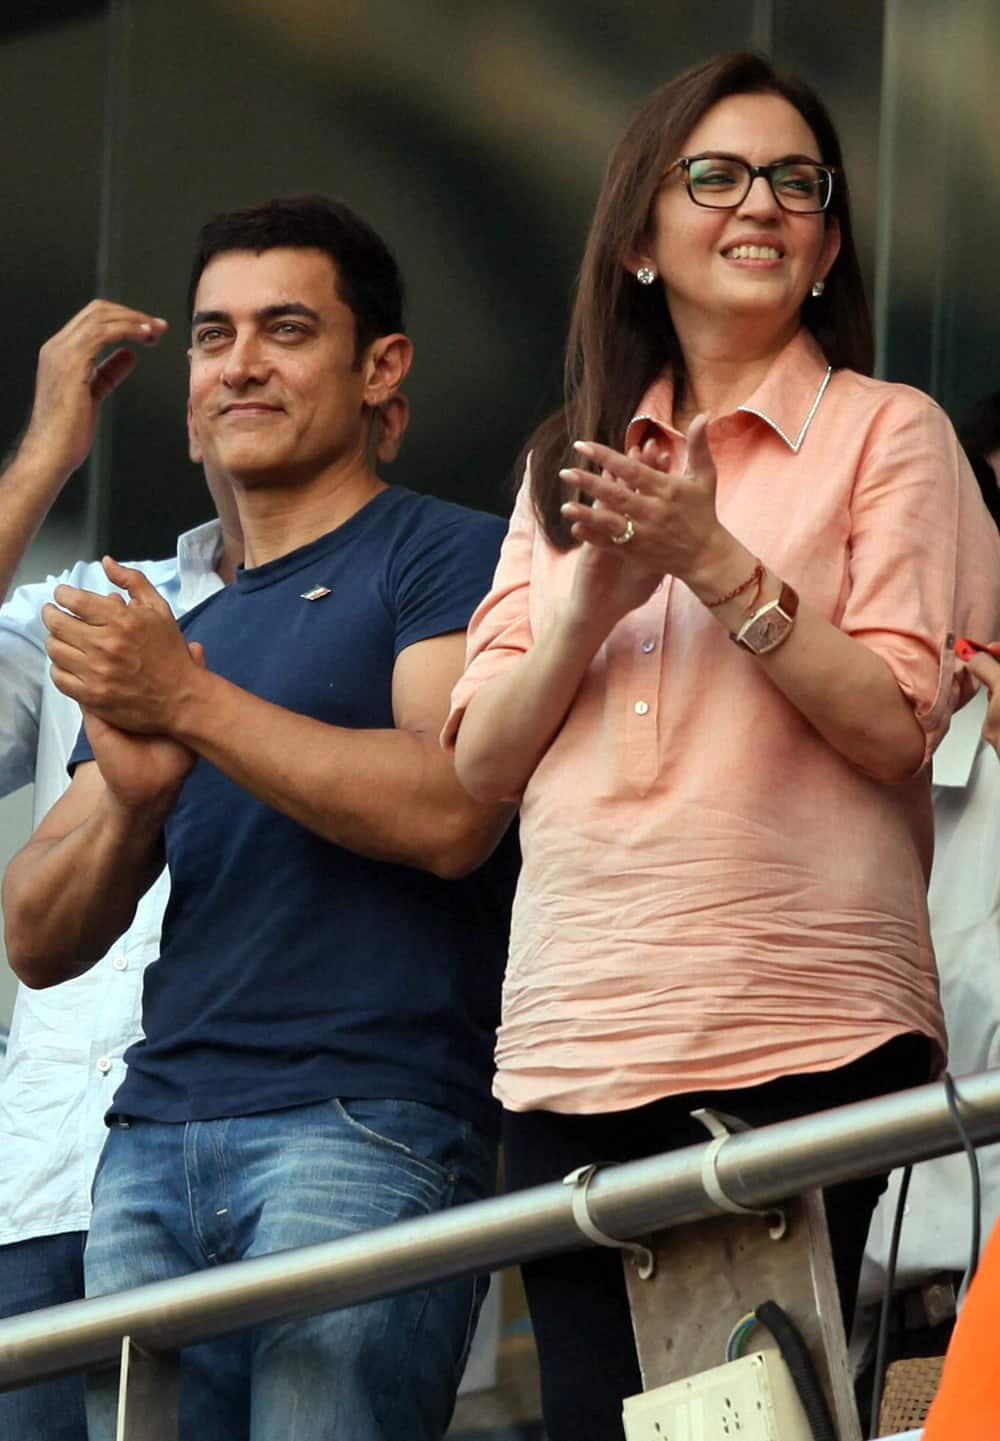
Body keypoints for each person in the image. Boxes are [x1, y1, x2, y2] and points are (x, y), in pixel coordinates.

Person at [442, 52, 1000, 1440]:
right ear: (640, 238)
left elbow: (891, 722)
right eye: (717, 175)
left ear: (825, 246)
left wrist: (717, 563)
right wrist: (587, 605)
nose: (762, 204)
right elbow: (478, 764)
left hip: (796, 1031)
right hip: (572, 1044)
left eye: (797, 183)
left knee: (744, 1426)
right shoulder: (566, 460)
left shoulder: (890, 433)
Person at [3, 194, 516, 1441]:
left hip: (365, 1116)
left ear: (379, 367)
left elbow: (452, 808)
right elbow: (34, 931)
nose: (240, 361)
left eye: (285, 329)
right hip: (147, 1137)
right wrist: (134, 798)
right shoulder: (167, 624)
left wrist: (189, 701)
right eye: (214, 333)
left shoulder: (450, 554)